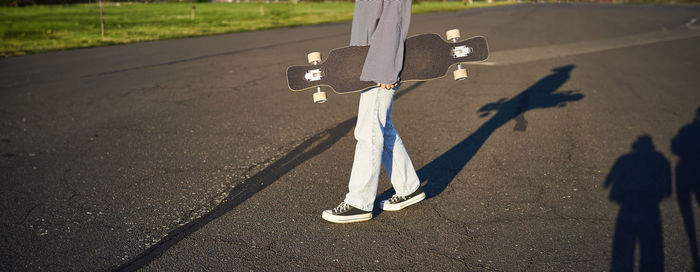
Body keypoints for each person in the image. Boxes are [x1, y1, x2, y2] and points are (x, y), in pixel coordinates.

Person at [322, 0, 425, 224]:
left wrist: (386, 68)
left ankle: (359, 202)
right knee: (381, 126)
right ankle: (409, 187)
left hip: (379, 67)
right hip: (368, 63)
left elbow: (393, 21)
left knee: (368, 130)